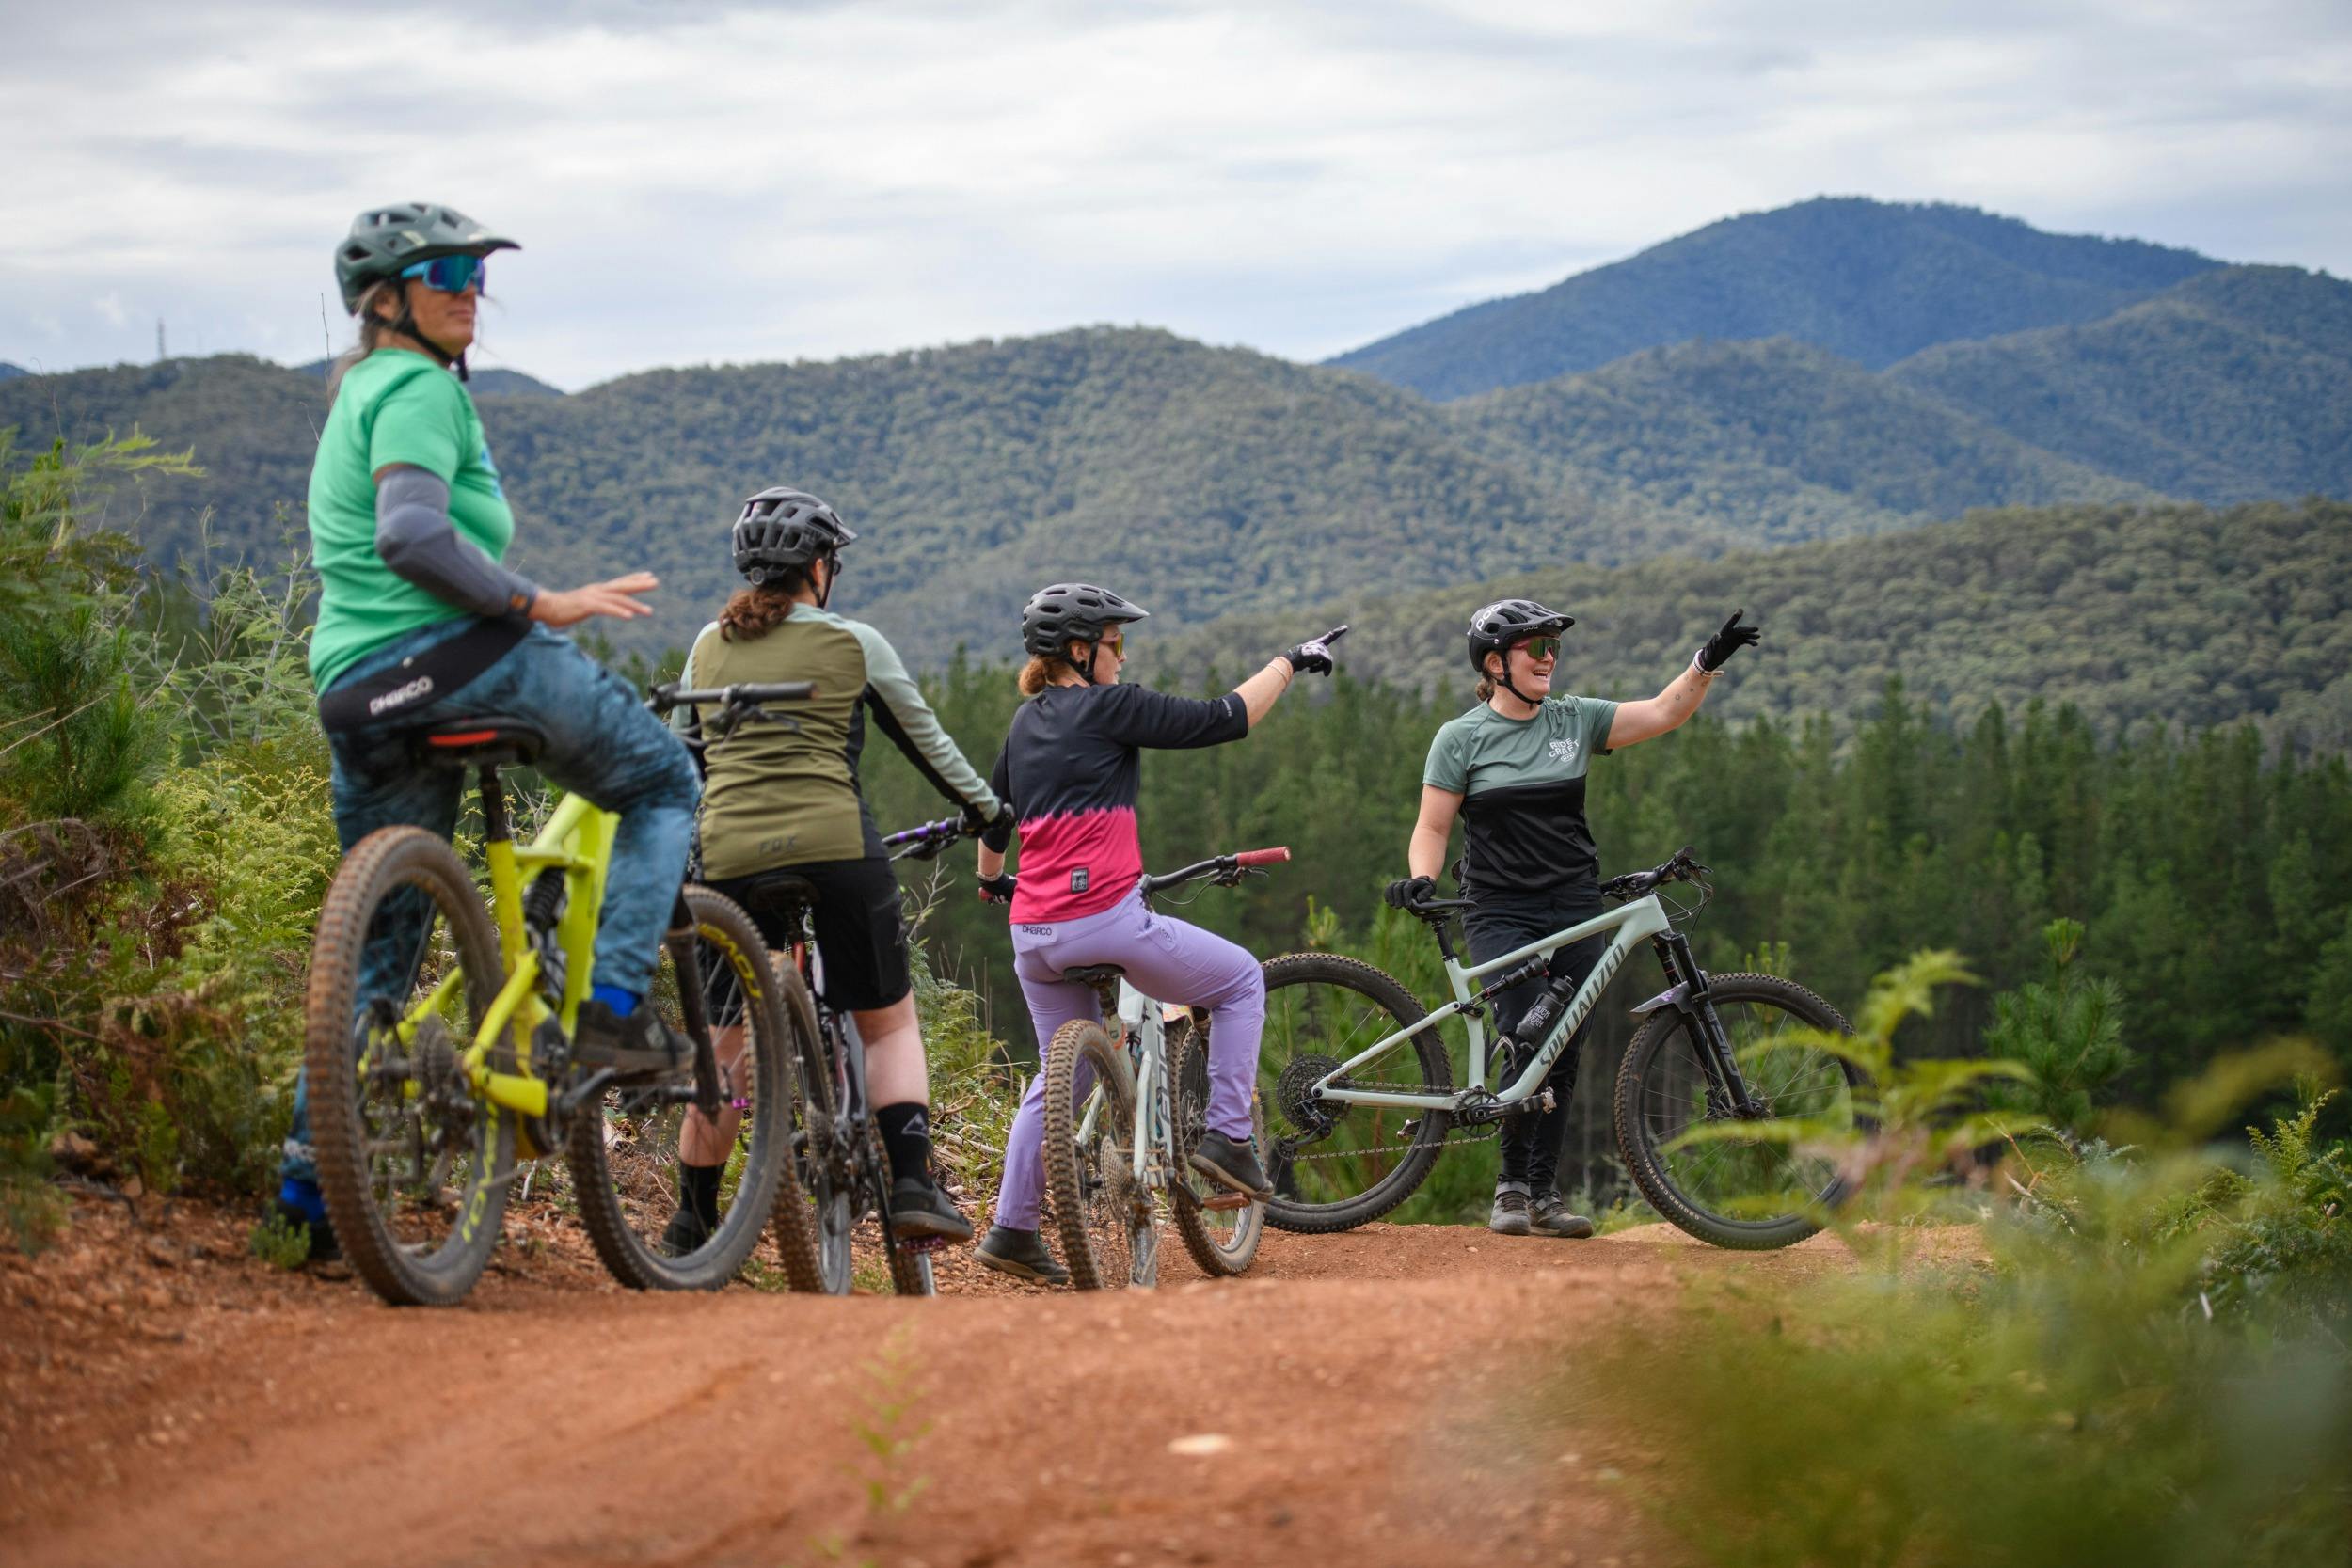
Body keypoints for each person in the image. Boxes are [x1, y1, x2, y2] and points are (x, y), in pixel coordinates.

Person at [280, 202, 704, 1259]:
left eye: (477, 270)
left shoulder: (359, 395)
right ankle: (608, 1006)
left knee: (379, 946)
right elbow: (412, 532)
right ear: (385, 301)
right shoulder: (420, 387)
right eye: (447, 271)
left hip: (353, 687)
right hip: (463, 661)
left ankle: (307, 1198)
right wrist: (535, 604)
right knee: (660, 783)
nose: (472, 286)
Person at [972, 584, 1342, 1284]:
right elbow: (1226, 717)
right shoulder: (1112, 705)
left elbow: (994, 817)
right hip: (1107, 921)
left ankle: (1012, 1227)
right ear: (1080, 650)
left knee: (1060, 1072)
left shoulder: (1024, 723)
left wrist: (992, 880)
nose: (1123, 653)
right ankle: (1230, 1137)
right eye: (1116, 642)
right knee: (1238, 980)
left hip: (1035, 937)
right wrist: (1289, 662)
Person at [673, 486, 1008, 1247]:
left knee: (724, 1044)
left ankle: (689, 1221)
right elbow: (927, 743)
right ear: (819, 567)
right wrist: (990, 811)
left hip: (724, 862)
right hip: (835, 848)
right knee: (887, 1023)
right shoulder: (855, 640)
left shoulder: (705, 646)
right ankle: (915, 1183)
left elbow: (676, 761)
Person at [1383, 599, 1761, 1240]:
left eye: (1554, 646)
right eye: (1536, 647)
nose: (1549, 657)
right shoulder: (1461, 737)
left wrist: (1707, 661)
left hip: (1576, 906)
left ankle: (1543, 1192)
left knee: (1565, 1047)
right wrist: (1422, 877)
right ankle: (1509, 1185)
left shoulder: (1574, 719)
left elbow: (1664, 711)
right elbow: (1433, 825)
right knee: (1530, 1031)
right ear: (1497, 662)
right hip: (1499, 909)